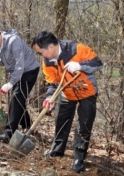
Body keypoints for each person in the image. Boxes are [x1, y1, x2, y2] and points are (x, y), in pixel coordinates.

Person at [31, 30, 103, 173]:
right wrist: (49, 98)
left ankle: (79, 158)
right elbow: (51, 82)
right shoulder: (48, 61)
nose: (40, 56)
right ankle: (57, 150)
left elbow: (98, 63)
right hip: (67, 93)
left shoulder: (76, 49)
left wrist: (80, 66)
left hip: (86, 91)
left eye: (40, 52)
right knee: (61, 120)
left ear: (50, 47)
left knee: (84, 125)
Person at [0, 26, 40, 143]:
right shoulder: (2, 45)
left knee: (16, 98)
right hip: (19, 72)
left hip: (29, 71)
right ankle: (27, 124)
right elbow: (8, 60)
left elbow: (20, 64)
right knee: (18, 99)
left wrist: (11, 83)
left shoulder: (14, 41)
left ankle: (8, 133)